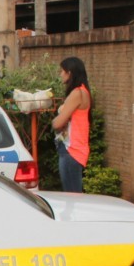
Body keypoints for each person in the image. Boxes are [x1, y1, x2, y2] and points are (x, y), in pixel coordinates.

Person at [51, 56, 92, 193]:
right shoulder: (83, 91)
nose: (60, 74)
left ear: (70, 73)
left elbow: (58, 123)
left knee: (72, 196)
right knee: (73, 195)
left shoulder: (77, 93)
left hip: (71, 150)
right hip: (74, 149)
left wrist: (54, 121)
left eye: (62, 71)